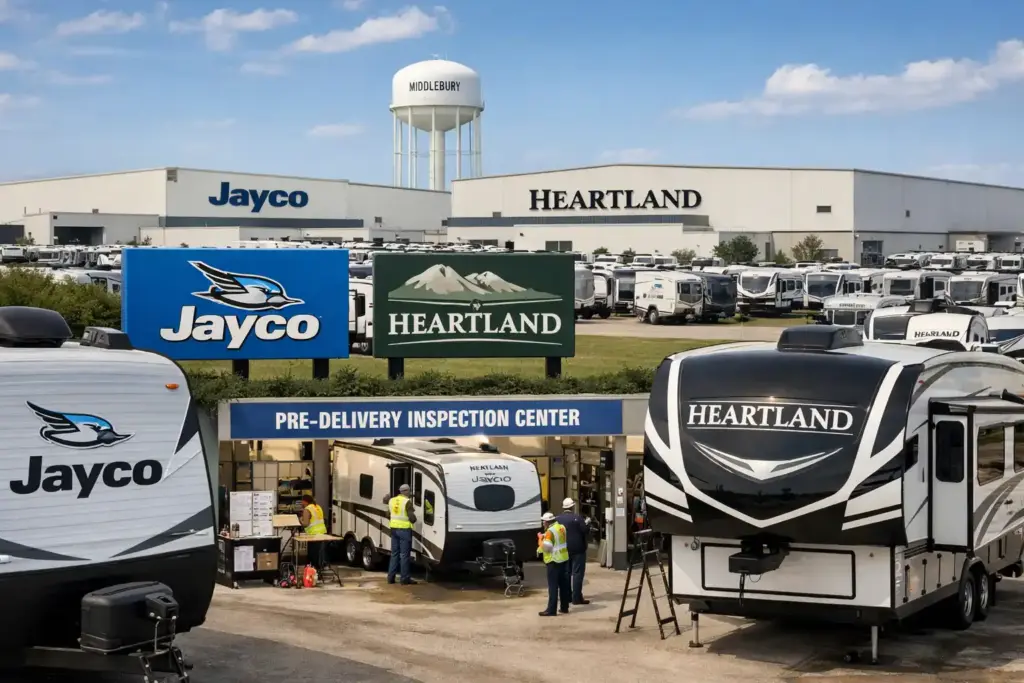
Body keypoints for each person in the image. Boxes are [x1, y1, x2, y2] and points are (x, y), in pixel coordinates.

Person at [556, 497, 590, 605]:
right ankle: (576, 598)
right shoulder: (578, 518)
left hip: (564, 549)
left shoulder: (558, 519)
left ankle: (567, 596)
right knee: (577, 574)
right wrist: (587, 523)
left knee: (566, 573)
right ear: (572, 507)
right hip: (578, 549)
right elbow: (585, 530)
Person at [537, 511, 570, 616]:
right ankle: (564, 607)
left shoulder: (549, 532)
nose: (543, 524)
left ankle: (551, 610)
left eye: (543, 522)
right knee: (564, 585)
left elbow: (547, 547)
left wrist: (540, 539)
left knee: (553, 587)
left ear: (547, 522)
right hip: (563, 559)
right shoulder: (561, 527)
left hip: (553, 561)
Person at [387, 484, 418, 585]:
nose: (410, 493)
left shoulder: (392, 500)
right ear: (406, 491)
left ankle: (390, 578)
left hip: (393, 529)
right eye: (409, 491)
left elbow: (388, 514)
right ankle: (404, 579)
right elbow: (412, 518)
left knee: (394, 554)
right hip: (404, 530)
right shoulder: (407, 502)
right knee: (404, 555)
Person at [299, 495, 327, 569]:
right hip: (322, 532)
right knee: (319, 553)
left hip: (313, 534)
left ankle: (312, 570)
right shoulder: (318, 507)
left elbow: (305, 524)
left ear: (305, 501)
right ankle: (320, 568)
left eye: (302, 501)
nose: (301, 502)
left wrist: (300, 520)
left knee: (312, 554)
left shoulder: (307, 509)